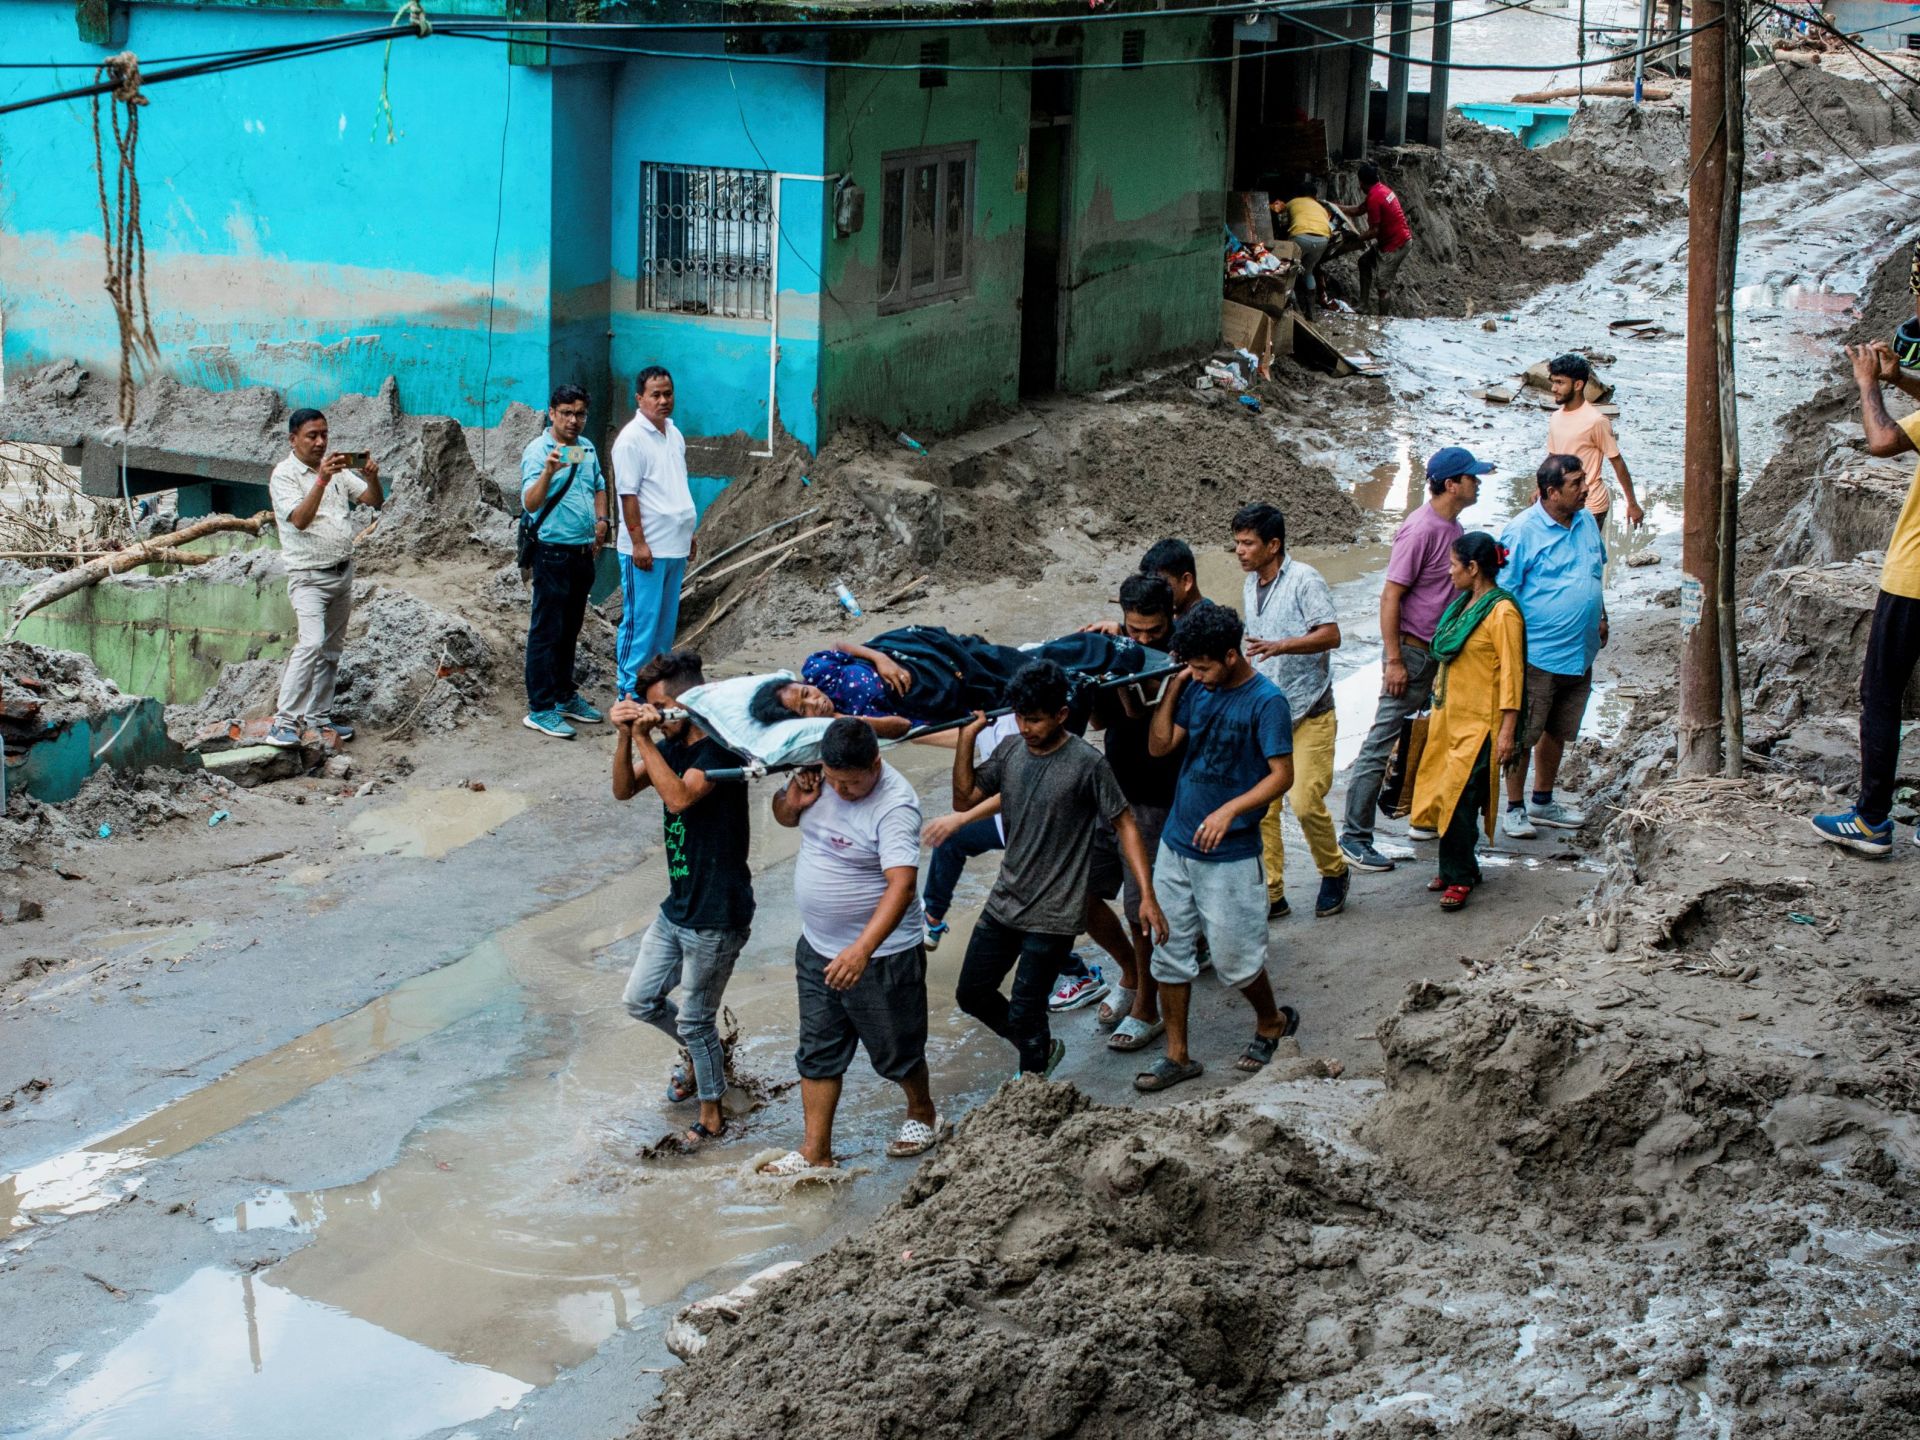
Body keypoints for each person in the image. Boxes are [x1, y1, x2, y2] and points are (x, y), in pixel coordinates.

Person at [951, 661, 1167, 1078]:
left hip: (1055, 911)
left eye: (1034, 719)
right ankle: (1041, 1049)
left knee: (1028, 1004)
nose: (1025, 727)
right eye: (1019, 717)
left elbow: (1125, 824)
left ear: (1062, 715)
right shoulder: (1011, 750)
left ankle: (1031, 1085)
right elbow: (964, 799)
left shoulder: (1087, 763)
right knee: (971, 993)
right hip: (1006, 900)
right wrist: (967, 738)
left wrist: (1147, 896)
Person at [761, 719, 941, 1175]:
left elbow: (901, 887)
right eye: (834, 779)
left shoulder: (895, 806)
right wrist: (793, 799)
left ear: (876, 764)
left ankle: (923, 1113)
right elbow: (784, 814)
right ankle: (814, 1151)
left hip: (881, 955)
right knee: (818, 1050)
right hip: (818, 947)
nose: (841, 790)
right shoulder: (816, 777)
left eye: (853, 782)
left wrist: (861, 950)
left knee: (897, 1048)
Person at [1135, 602, 1298, 1094]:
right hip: (1177, 844)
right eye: (1191, 665)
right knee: (1168, 951)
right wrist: (1174, 689)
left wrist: (1230, 811)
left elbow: (1282, 775)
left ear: (1231, 655)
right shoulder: (1196, 688)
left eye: (1204, 666)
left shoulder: (1267, 701)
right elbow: (1160, 748)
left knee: (1235, 959)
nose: (1198, 674)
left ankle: (1271, 1021)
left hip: (1232, 854)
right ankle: (1178, 1055)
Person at [610, 651, 752, 1147]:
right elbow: (624, 790)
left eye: (658, 707)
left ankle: (712, 1113)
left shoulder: (719, 753)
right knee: (640, 1000)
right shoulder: (665, 744)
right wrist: (627, 734)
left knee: (695, 1019)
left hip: (718, 914)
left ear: (685, 704)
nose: (653, 714)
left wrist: (645, 737)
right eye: (646, 706)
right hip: (679, 907)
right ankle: (703, 1056)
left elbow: (679, 798)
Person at [1340, 446, 1490, 872]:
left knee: (1431, 737)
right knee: (1380, 743)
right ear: (1451, 484)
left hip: (1435, 654)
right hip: (1413, 653)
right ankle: (1354, 837)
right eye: (1472, 478)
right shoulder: (1421, 530)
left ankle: (1421, 817)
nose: (1477, 484)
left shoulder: (1452, 526)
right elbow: (1391, 595)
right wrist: (1393, 661)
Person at [1811, 341, 1920, 857]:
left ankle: (1872, 819)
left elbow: (1881, 440)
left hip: (1913, 580)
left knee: (1881, 697)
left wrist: (1868, 383)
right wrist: (1901, 380)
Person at [1234, 503, 1348, 920]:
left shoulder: (1305, 580)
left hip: (1312, 709)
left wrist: (1281, 645)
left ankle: (1334, 870)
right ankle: (1273, 893)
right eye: (1237, 543)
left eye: (1248, 543)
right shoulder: (1251, 584)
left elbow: (1331, 635)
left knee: (1303, 801)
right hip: (1268, 714)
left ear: (1274, 545)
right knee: (1264, 808)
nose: (1240, 552)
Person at [1086, 572, 1186, 1052]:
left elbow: (1151, 730)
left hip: (1155, 796)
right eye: (1135, 631)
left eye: (1154, 631)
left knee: (1141, 909)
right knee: (1077, 889)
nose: (1144, 639)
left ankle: (1148, 1006)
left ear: (1171, 618)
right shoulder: (1117, 646)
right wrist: (1099, 665)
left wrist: (1136, 669)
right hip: (1110, 786)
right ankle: (1129, 971)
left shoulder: (1186, 657)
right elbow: (1100, 720)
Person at [1408, 535, 1525, 911]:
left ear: (1473, 569)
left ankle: (1459, 876)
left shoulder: (1502, 612)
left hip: (1480, 726)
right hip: (1449, 719)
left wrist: (1508, 731)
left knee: (1460, 799)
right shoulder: (1463, 607)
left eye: (1453, 565)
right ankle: (1458, 865)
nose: (1449, 571)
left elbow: (1512, 675)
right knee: (1444, 793)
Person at [1499, 454, 1607, 839]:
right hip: (1536, 654)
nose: (1586, 489)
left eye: (1584, 481)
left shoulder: (1586, 524)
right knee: (1524, 731)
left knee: (1557, 731)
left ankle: (1543, 801)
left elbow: (1597, 570)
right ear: (1551, 492)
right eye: (1576, 483)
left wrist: (1602, 615)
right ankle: (1513, 808)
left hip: (1579, 652)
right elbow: (1501, 596)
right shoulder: (1521, 532)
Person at [265, 408, 385, 749]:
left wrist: (372, 476)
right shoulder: (284, 475)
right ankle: (284, 721)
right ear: (293, 439)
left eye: (324, 435)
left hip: (341, 572)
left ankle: (318, 718)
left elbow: (373, 501)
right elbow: (300, 520)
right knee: (311, 644)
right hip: (308, 577)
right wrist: (321, 479)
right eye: (311, 436)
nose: (320, 442)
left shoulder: (337, 470)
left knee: (331, 649)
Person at [520, 383, 611, 740]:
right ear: (552, 413)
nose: (574, 421)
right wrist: (547, 471)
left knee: (570, 629)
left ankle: (563, 696)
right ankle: (540, 708)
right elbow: (530, 503)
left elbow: (599, 484)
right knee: (546, 631)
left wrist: (602, 522)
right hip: (552, 553)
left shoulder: (586, 448)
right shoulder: (537, 450)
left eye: (580, 414)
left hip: (582, 552)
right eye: (567, 413)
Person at [612, 366, 698, 699]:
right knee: (641, 627)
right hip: (647, 550)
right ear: (640, 398)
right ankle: (628, 695)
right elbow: (628, 495)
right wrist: (638, 543)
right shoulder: (631, 441)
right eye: (655, 395)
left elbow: (675, 485)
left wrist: (687, 532)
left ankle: (655, 694)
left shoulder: (674, 434)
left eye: (668, 394)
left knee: (664, 630)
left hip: (674, 547)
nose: (663, 401)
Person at [1545, 353, 1643, 529]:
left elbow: (1617, 462)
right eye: (1553, 382)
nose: (1553, 388)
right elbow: (1552, 458)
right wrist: (1542, 489)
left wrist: (1632, 503)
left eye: (1560, 383)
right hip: (1563, 501)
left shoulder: (1596, 421)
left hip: (1590, 504)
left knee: (1586, 555)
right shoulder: (1555, 418)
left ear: (1578, 385)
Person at [1339, 162, 1412, 316]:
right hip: (1393, 240)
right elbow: (1359, 210)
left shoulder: (1374, 198)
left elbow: (1373, 231)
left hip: (1396, 245)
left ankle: (1382, 320)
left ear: (1361, 182)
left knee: (1383, 287)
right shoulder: (1380, 190)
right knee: (1364, 262)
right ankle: (1363, 305)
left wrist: (1356, 238)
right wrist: (1338, 208)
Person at [1270, 179, 1333, 319]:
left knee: (1288, 272)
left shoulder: (1293, 202)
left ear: (1298, 194)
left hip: (1300, 237)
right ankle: (1311, 312)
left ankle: (1296, 311)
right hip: (1323, 240)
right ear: (1314, 196)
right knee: (1308, 271)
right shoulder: (1321, 208)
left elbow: (1276, 211)